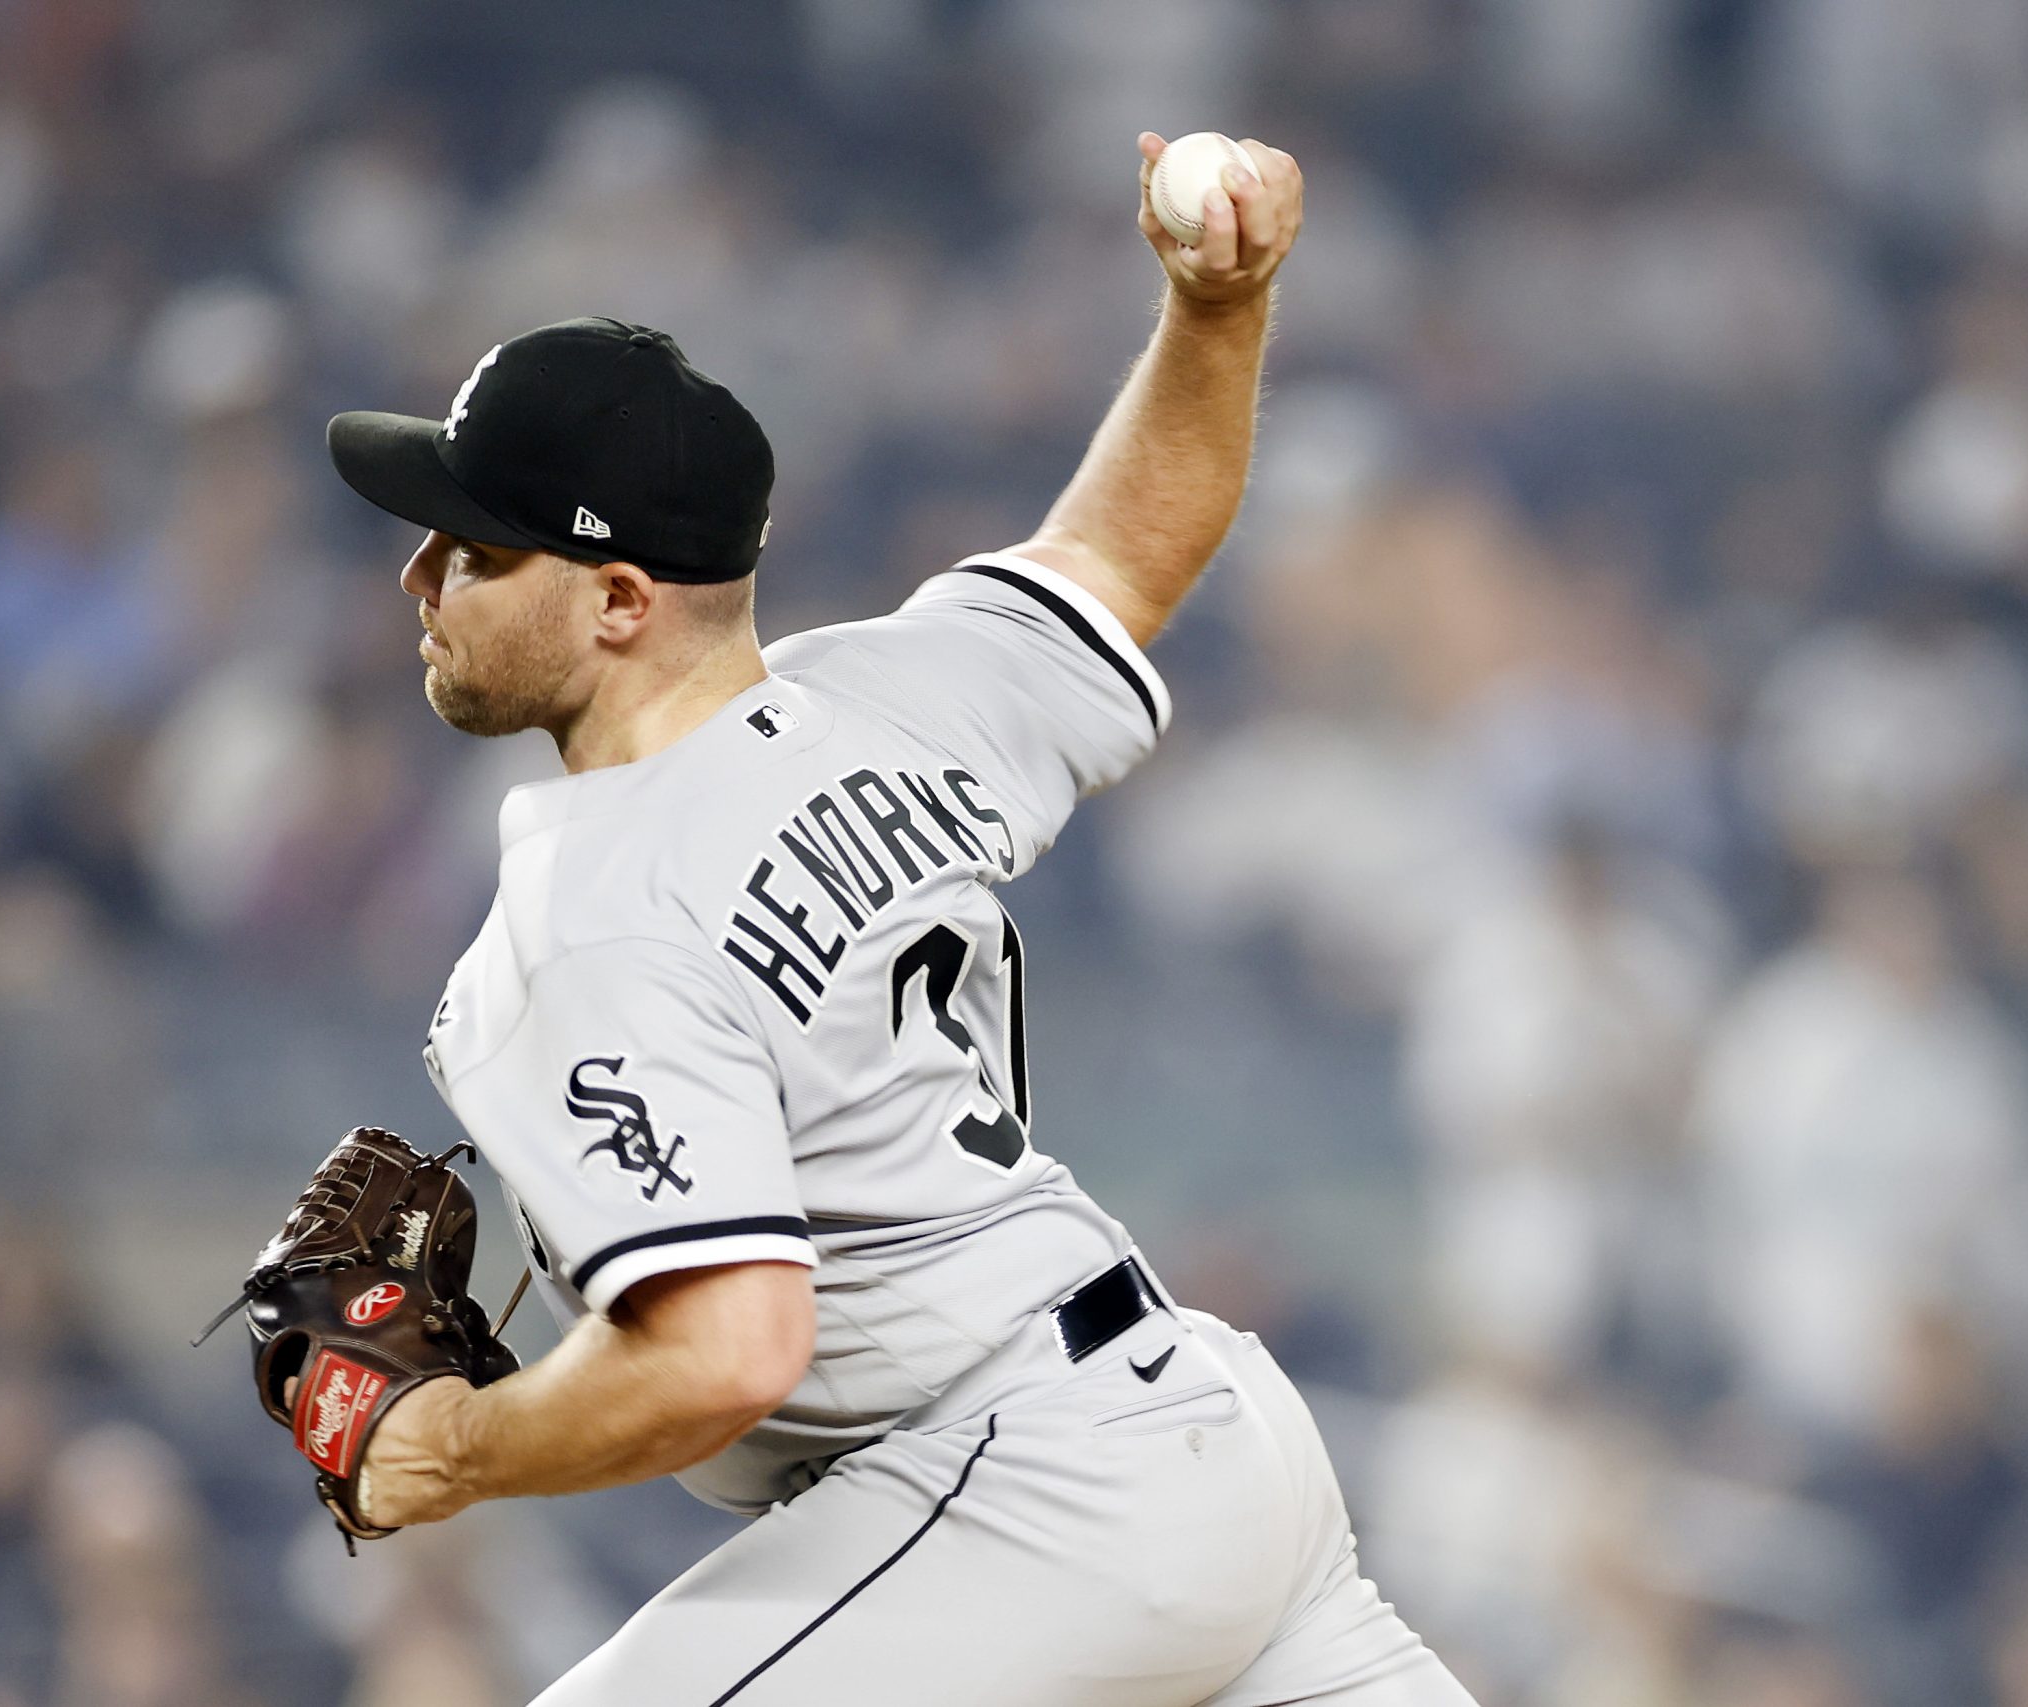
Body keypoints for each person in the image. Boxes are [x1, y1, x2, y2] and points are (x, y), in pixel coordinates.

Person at [316, 133, 1475, 1706]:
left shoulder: (587, 927)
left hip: (1024, 1497)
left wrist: (446, 1447)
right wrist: (1219, 312)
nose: (421, 576)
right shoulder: (895, 693)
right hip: (1211, 1441)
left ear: (618, 598)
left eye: (476, 545)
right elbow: (1132, 543)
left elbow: (729, 1354)